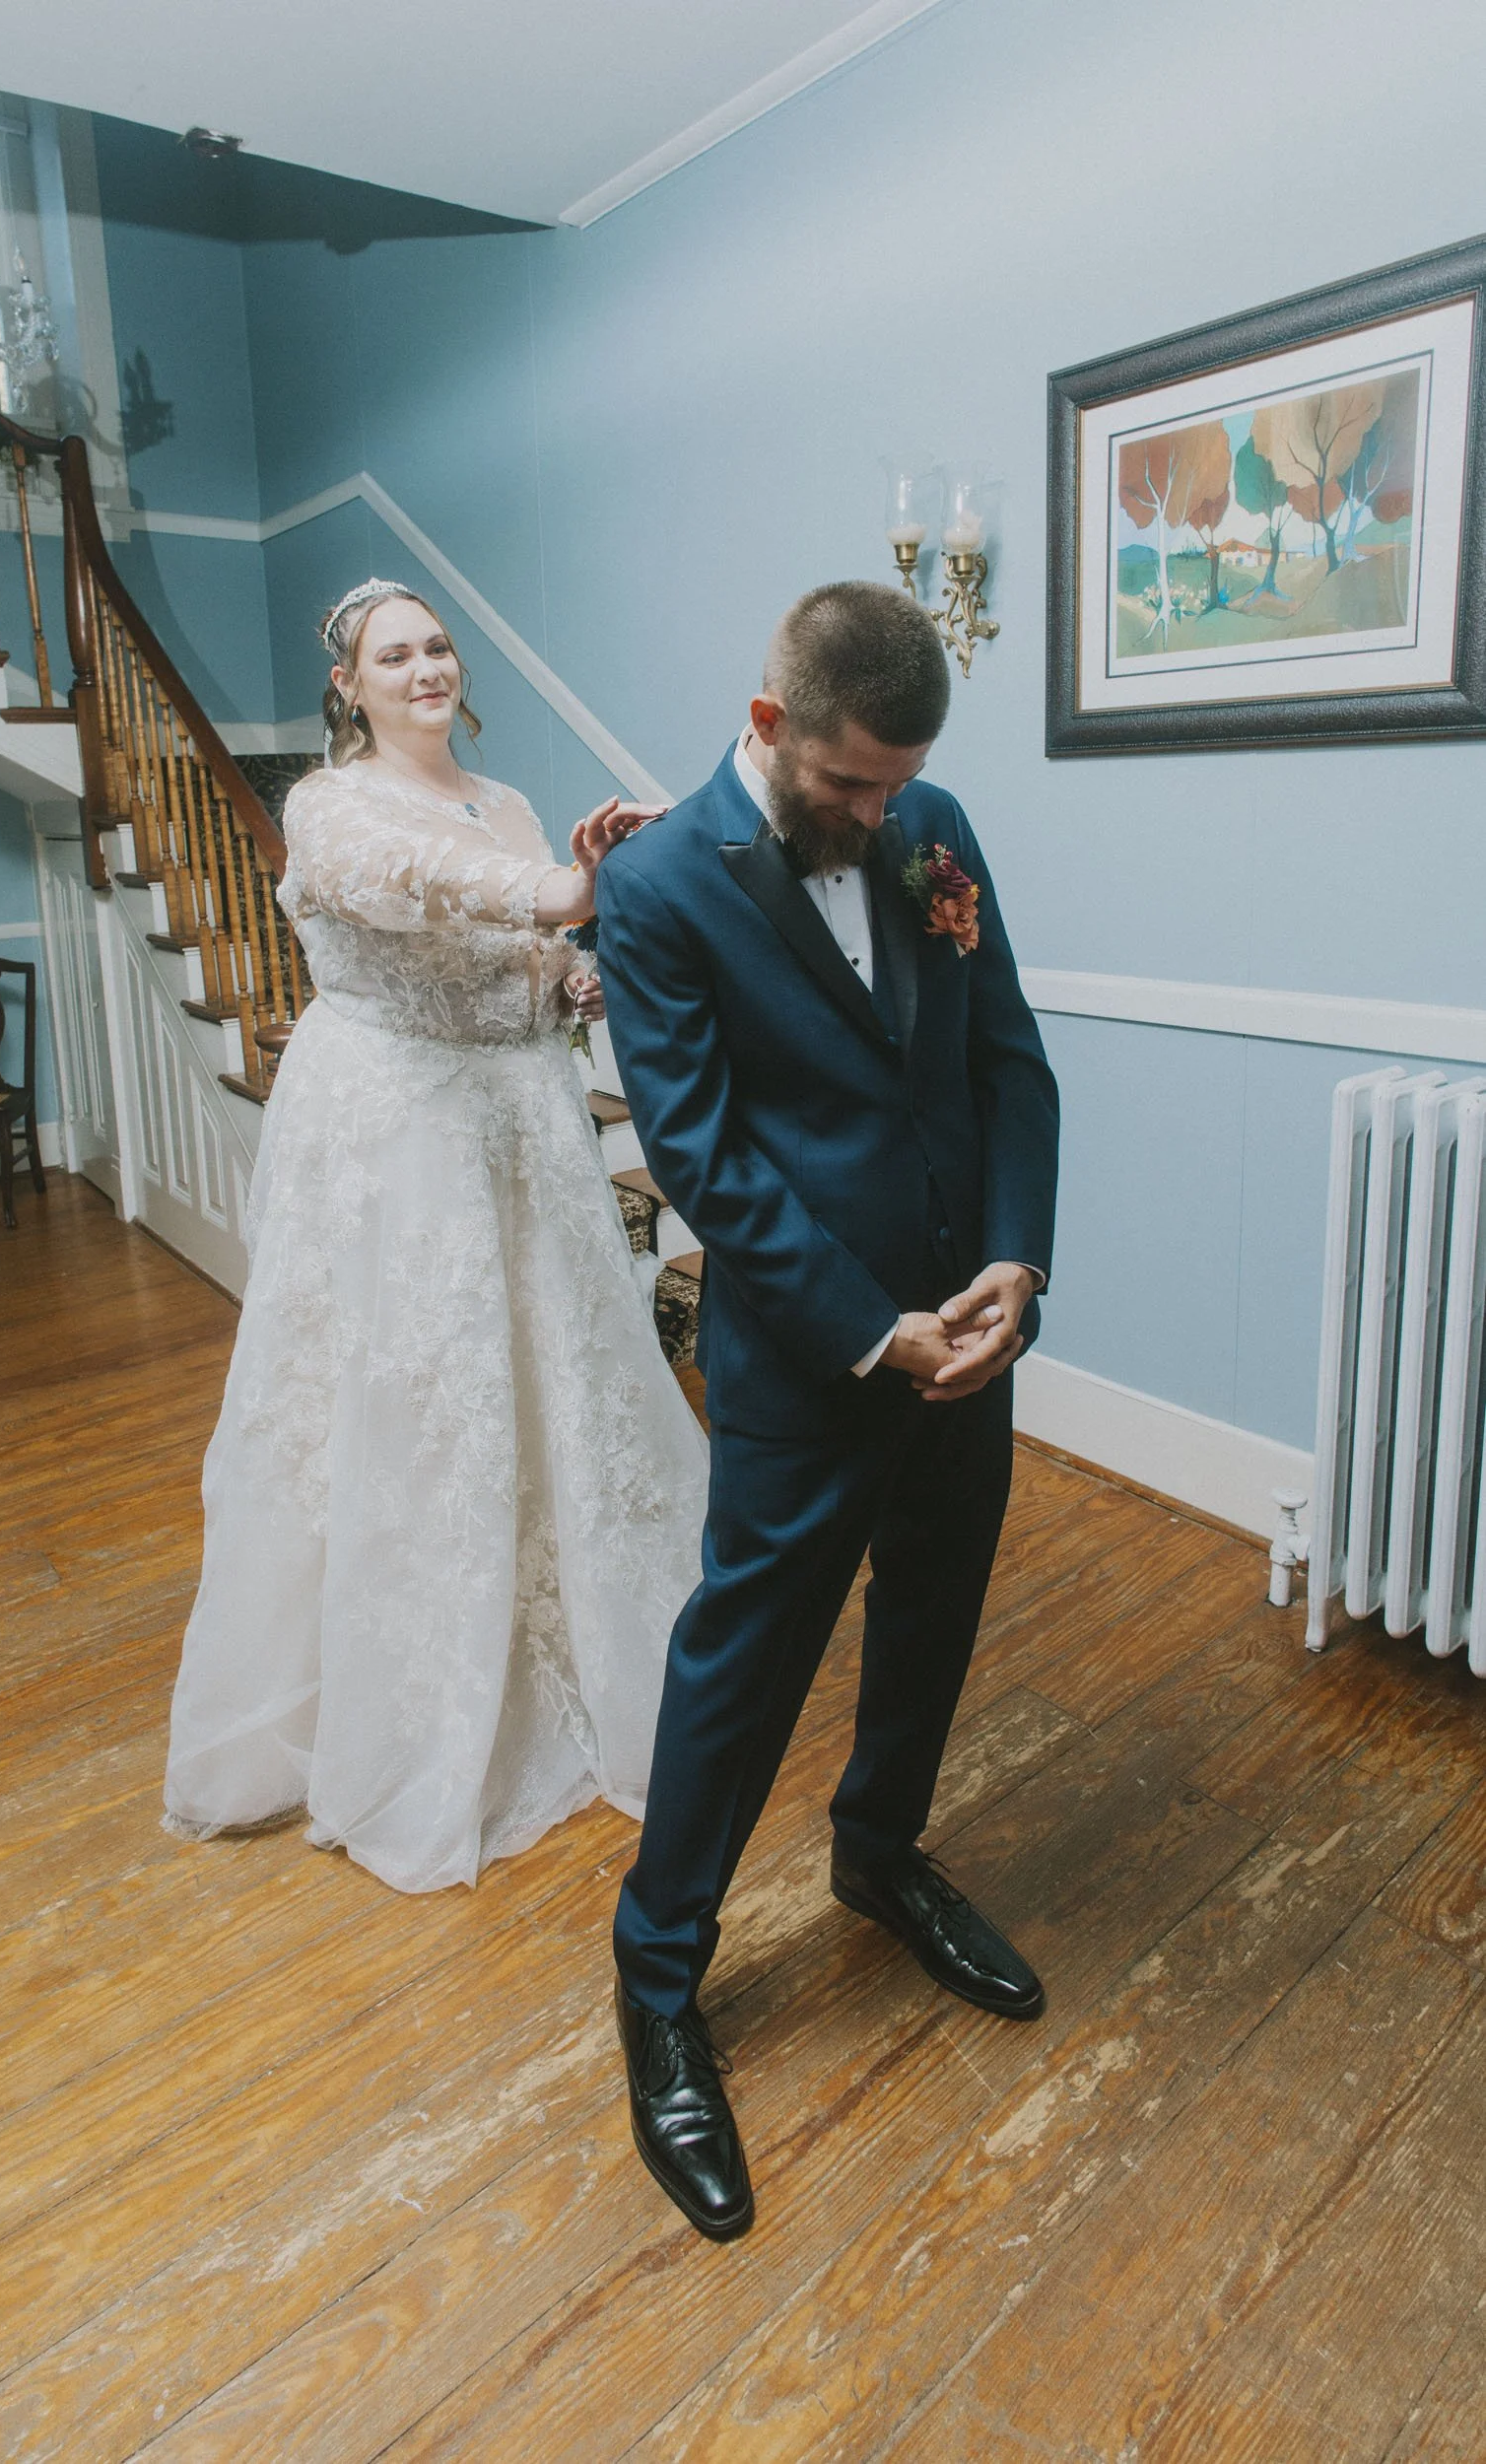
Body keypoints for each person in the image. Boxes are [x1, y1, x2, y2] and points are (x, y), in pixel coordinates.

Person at [596, 582, 1059, 2238]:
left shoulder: (932, 823)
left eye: (899, 788)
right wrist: (878, 1334)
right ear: (773, 723)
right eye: (851, 788)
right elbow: (703, 1158)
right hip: (811, 1352)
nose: (881, 819)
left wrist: (1012, 1261)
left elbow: (1006, 1057)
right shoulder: (651, 887)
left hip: (971, 1331)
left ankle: (880, 1853)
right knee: (749, 1653)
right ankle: (659, 1979)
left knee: (933, 1609)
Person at [163, 579, 708, 1893]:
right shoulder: (328, 806)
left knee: (557, 1388)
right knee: (420, 1399)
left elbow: (529, 956)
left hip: (522, 1121)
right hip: (401, 1135)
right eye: (391, 653)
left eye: (438, 644)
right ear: (345, 684)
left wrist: (585, 957)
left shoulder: (507, 798)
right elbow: (417, 887)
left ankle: (589, 1648)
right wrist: (566, 886)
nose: (424, 666)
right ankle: (416, 1698)